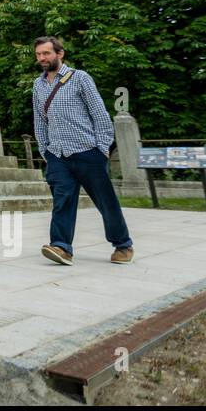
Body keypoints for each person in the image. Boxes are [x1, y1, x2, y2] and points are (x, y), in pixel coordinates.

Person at [31, 37, 134, 266]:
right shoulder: (38, 86)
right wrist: (45, 150)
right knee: (62, 200)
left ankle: (123, 245)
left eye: (46, 53)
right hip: (57, 154)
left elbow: (99, 114)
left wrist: (103, 147)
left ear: (60, 54)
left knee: (105, 201)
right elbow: (39, 121)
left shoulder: (80, 79)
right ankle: (61, 246)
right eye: (38, 54)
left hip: (88, 151)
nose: (42, 58)